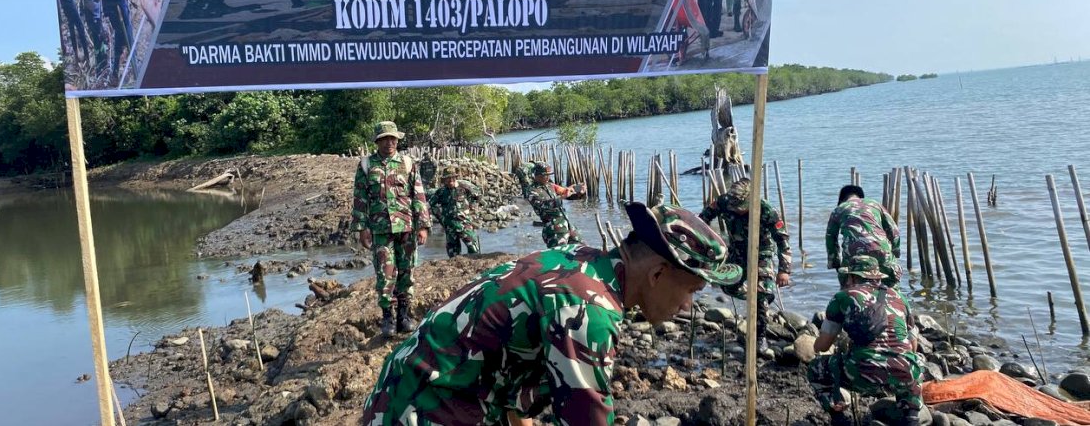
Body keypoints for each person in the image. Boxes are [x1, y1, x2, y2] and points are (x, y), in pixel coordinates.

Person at [362, 203, 741, 425]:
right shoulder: (589, 309)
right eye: (692, 290)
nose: (688, 307)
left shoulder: (581, 261)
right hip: (424, 408)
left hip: (411, 388)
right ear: (657, 274)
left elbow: (520, 375)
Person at [806, 255, 924, 426]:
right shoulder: (900, 298)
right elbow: (913, 347)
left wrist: (815, 343)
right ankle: (911, 418)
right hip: (902, 375)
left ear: (852, 276)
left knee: (816, 368)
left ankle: (838, 417)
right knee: (915, 363)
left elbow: (823, 346)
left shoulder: (843, 297)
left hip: (862, 373)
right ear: (877, 276)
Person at [350, 121, 431, 337]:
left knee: (406, 272)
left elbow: (418, 195)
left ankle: (404, 315)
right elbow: (360, 198)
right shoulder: (367, 165)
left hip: (406, 228)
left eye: (393, 138)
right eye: (385, 139)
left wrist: (423, 225)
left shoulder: (407, 163)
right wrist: (361, 227)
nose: (390, 142)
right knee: (385, 274)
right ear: (378, 141)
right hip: (380, 230)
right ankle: (388, 317)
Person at [699, 178, 791, 354]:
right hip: (737, 251)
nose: (737, 210)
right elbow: (702, 220)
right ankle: (758, 298)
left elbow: (783, 240)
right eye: (735, 207)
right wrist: (706, 246)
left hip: (761, 254)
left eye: (741, 207)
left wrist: (784, 271)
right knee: (728, 285)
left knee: (761, 296)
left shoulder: (766, 210)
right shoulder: (723, 202)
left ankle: (760, 337)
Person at [826, 185, 902, 287]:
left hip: (853, 253)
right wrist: (895, 253)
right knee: (891, 287)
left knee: (851, 289)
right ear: (861, 196)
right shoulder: (875, 204)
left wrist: (835, 263)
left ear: (841, 199)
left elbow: (830, 238)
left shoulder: (839, 209)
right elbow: (893, 230)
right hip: (881, 250)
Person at [527, 162, 584, 248]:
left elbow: (566, 192)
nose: (548, 177)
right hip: (553, 228)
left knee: (579, 249)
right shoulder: (532, 191)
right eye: (545, 175)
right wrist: (561, 198)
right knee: (558, 253)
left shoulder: (550, 185)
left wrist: (579, 190)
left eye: (549, 175)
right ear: (537, 175)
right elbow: (542, 205)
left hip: (567, 225)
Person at [428, 166, 482, 258]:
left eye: (452, 178)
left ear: (455, 177)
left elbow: (478, 195)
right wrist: (441, 218)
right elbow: (431, 204)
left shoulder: (464, 187)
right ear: (444, 180)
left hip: (464, 224)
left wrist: (472, 208)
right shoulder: (441, 192)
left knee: (474, 250)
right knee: (453, 255)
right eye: (448, 179)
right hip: (449, 226)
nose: (450, 180)